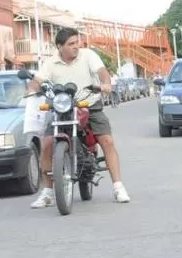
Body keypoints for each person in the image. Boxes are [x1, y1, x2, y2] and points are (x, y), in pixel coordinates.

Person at [27, 27, 131, 207]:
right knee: (47, 143)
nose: (77, 46)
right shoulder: (50, 63)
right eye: (71, 44)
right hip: (62, 108)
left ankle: (118, 187)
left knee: (106, 140)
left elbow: (101, 71)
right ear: (60, 47)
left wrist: (105, 83)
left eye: (77, 42)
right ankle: (48, 193)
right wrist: (31, 91)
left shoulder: (88, 55)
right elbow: (38, 81)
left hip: (89, 104)